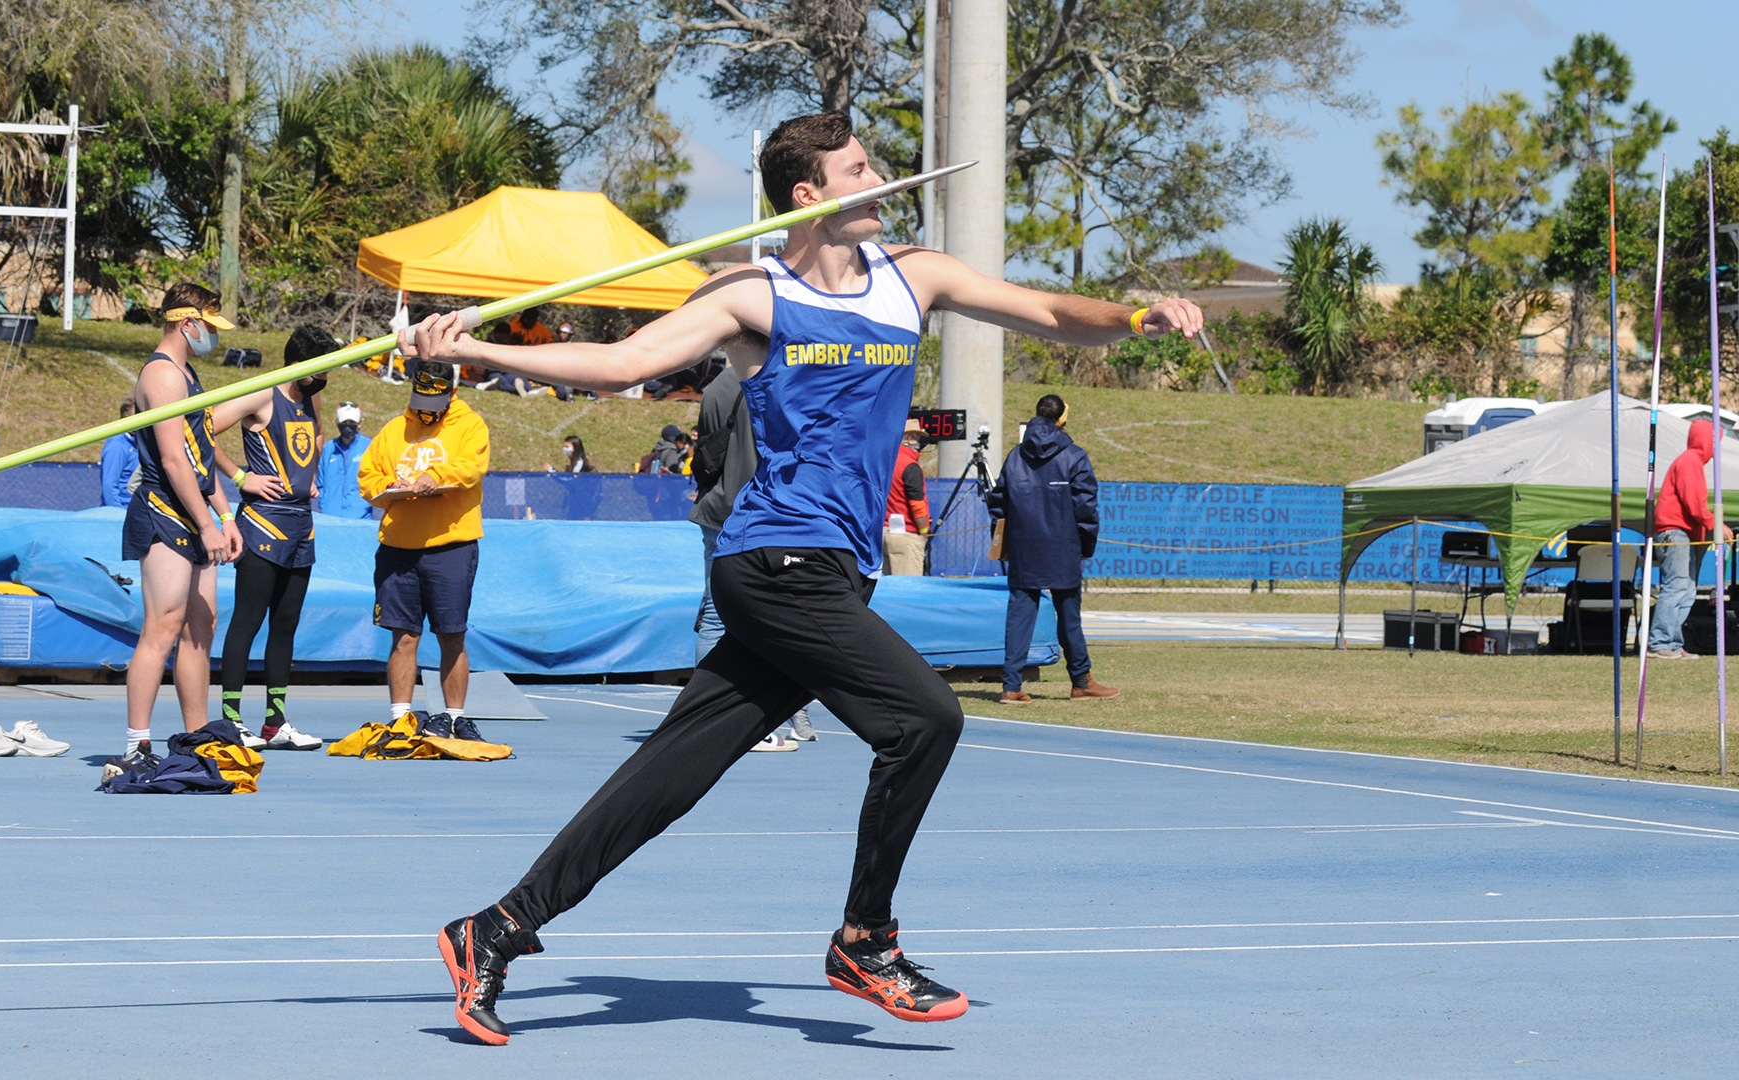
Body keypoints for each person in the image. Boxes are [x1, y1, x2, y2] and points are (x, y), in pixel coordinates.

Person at [405, 110, 1202, 1045]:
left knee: (668, 777)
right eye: (861, 166)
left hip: (839, 572)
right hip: (775, 562)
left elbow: (1053, 312)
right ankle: (866, 939)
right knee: (926, 719)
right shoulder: (753, 292)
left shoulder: (918, 276)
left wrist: (1139, 314)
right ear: (810, 196)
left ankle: (496, 927)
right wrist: (471, 350)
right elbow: (621, 367)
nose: (884, 177)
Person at [109, 283, 243, 773]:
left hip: (196, 511)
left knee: (199, 630)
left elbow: (201, 454)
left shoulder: (190, 374)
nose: (212, 334)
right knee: (162, 626)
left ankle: (197, 736)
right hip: (165, 510)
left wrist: (224, 517)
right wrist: (206, 524)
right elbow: (172, 459)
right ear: (187, 323)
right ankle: (136, 742)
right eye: (209, 325)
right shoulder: (163, 376)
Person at [205, 325, 336, 752]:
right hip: (262, 524)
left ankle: (275, 723)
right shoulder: (263, 394)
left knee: (286, 624)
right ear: (299, 365)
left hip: (301, 523)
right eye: (319, 369)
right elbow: (202, 431)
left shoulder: (312, 395)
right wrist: (242, 477)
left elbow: (315, 439)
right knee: (248, 619)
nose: (325, 378)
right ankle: (230, 721)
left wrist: (309, 478)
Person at [357, 357, 491, 740]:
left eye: (434, 404)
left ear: (452, 393)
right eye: (420, 402)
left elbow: (471, 467)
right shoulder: (394, 429)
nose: (425, 411)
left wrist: (435, 476)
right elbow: (368, 476)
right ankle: (400, 717)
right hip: (399, 546)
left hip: (451, 544)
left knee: (451, 633)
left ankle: (452, 717)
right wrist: (391, 486)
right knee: (403, 636)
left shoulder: (469, 425)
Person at [689, 354, 814, 749]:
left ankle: (711, 715)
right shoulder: (789, 377)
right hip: (771, 511)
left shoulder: (719, 386)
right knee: (786, 612)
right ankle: (776, 713)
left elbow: (708, 448)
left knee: (716, 612)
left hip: (723, 508)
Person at [988, 394, 1112, 703]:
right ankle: (1081, 681)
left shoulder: (1015, 456)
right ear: (1063, 420)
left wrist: (1002, 543)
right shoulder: (1075, 455)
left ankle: (1011, 686)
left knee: (1019, 616)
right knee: (1069, 617)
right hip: (1063, 547)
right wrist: (1086, 545)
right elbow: (1086, 507)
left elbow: (998, 504)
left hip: (1024, 548)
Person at [1650, 418, 1729, 659]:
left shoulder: (1694, 463)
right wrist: (1715, 524)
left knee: (1687, 590)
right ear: (1707, 440)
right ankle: (1659, 642)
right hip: (1675, 531)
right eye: (1715, 440)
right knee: (1676, 587)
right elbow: (1695, 505)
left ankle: (1673, 644)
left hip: (1686, 533)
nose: (1717, 446)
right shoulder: (1690, 462)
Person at [882, 417, 930, 575]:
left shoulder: (884, 461)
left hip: (882, 533)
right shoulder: (909, 465)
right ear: (910, 439)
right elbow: (917, 504)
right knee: (909, 592)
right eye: (918, 438)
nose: (920, 443)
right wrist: (923, 531)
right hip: (906, 535)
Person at [317, 402, 379, 520]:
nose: (348, 426)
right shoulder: (328, 448)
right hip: (329, 519)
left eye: (352, 422)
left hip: (361, 521)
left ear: (360, 423)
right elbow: (319, 483)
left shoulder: (369, 447)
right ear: (337, 422)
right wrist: (324, 506)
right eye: (344, 422)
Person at [100, 397, 139, 508]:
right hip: (122, 511)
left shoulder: (138, 442)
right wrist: (117, 514)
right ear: (125, 417)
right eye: (137, 416)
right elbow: (109, 485)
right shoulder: (117, 445)